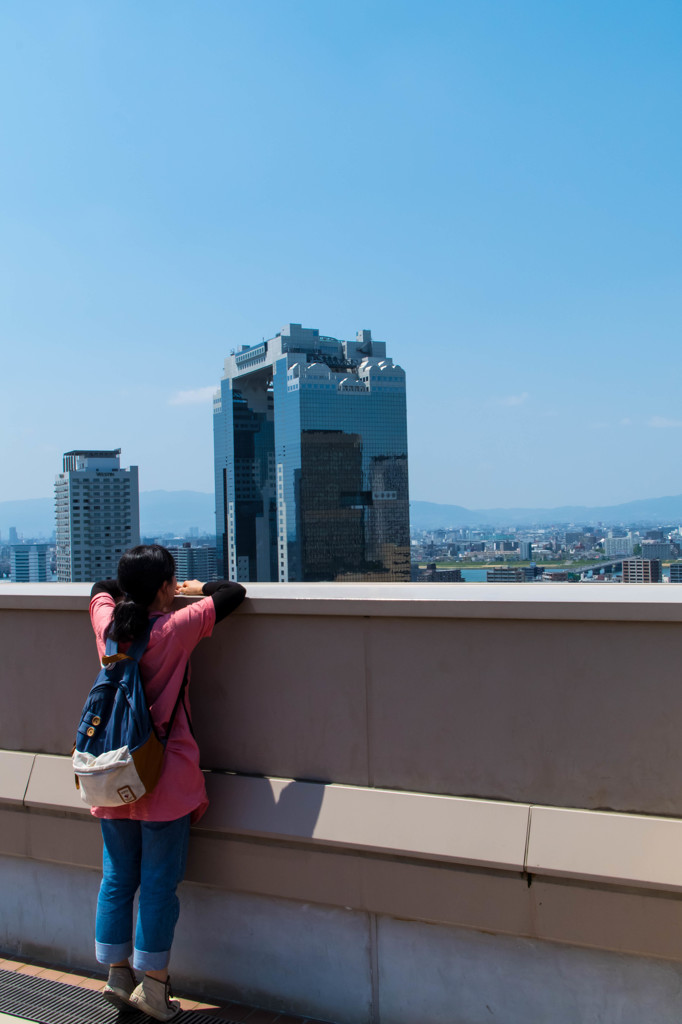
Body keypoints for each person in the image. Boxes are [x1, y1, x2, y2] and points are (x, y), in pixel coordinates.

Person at [88, 544, 246, 1021]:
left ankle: (118, 975)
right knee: (158, 886)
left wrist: (131, 591)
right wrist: (191, 590)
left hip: (112, 772)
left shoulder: (109, 630)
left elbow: (99, 591)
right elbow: (232, 592)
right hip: (166, 777)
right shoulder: (174, 629)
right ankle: (154, 989)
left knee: (117, 878)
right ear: (165, 588)